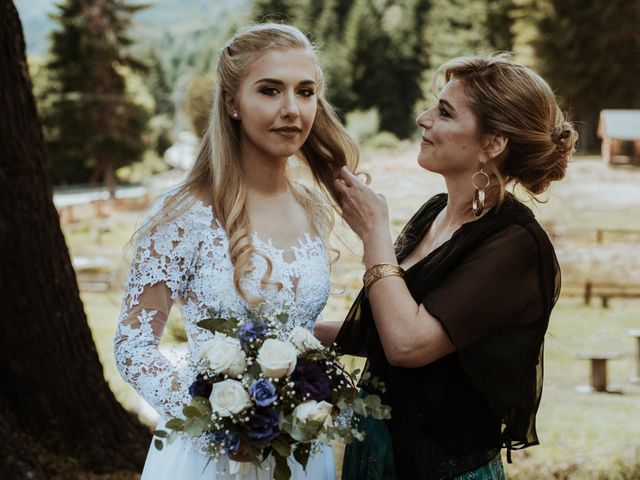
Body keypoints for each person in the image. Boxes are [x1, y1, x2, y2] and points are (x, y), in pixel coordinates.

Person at [315, 53, 578, 479]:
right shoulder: (434, 213)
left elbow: (408, 344)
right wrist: (289, 333)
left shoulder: (515, 245)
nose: (423, 118)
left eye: (444, 112)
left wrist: (374, 235)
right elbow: (381, 327)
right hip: (378, 450)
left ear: (492, 144)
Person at [113, 23, 358, 480]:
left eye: (305, 92)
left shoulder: (313, 207)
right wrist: (222, 421)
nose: (292, 109)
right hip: (211, 457)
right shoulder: (183, 213)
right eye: (270, 90)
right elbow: (134, 347)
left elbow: (293, 324)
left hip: (300, 456)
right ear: (231, 102)